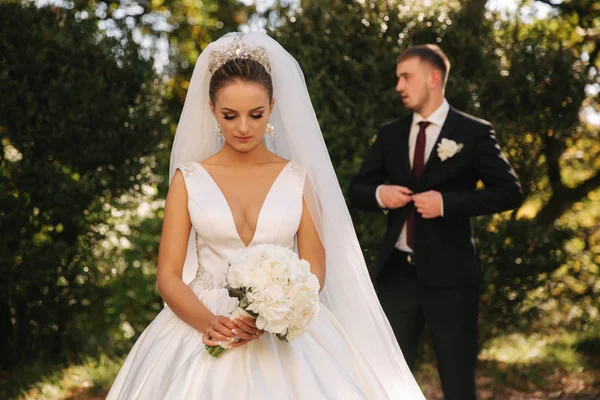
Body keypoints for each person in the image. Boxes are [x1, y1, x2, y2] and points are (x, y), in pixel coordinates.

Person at [106, 32, 425, 399]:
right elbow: (168, 276)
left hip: (282, 327)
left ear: (272, 107)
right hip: (201, 321)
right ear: (211, 110)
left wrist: (274, 313)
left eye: (255, 114)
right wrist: (210, 323)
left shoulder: (299, 178)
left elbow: (314, 270)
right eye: (230, 115)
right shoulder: (188, 179)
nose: (243, 127)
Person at [348, 44, 523, 400]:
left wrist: (447, 203)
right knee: (389, 379)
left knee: (458, 382)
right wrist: (381, 195)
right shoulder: (391, 134)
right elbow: (357, 189)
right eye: (398, 78)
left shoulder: (474, 132)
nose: (398, 85)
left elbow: (509, 191)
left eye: (406, 77)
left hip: (452, 279)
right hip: (397, 276)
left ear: (433, 78)